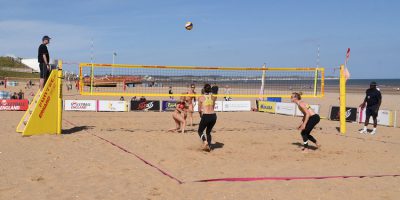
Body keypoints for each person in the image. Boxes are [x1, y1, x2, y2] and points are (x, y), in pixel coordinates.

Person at [197, 84, 218, 151]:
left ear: (203, 89)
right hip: (213, 116)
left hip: (206, 115)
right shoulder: (214, 97)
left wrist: (200, 115)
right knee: (208, 132)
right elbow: (213, 106)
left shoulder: (201, 97)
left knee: (200, 131)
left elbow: (199, 110)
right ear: (210, 90)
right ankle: (209, 146)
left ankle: (205, 142)